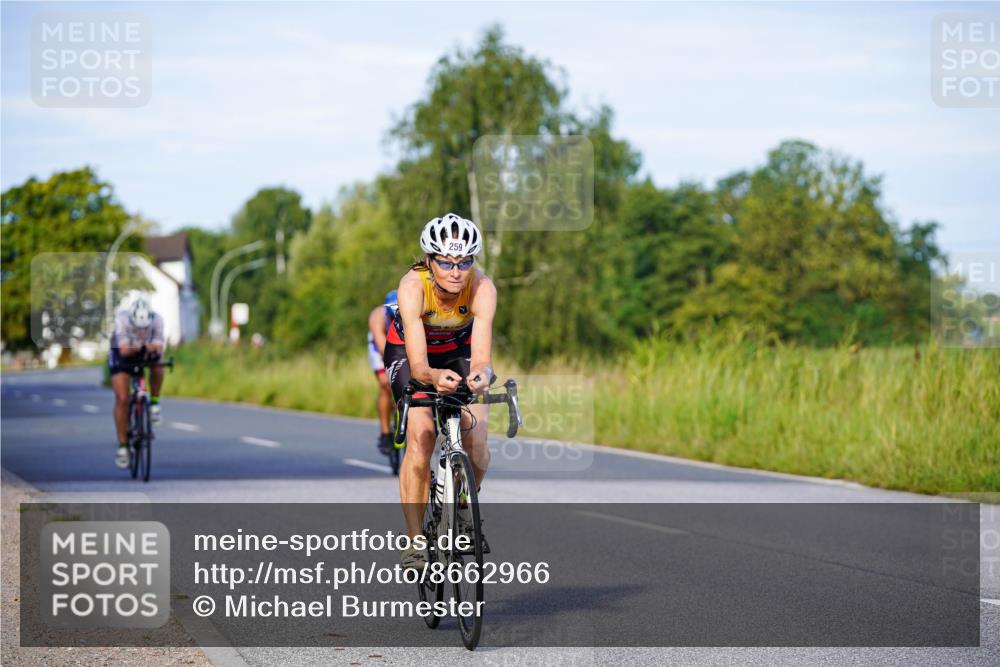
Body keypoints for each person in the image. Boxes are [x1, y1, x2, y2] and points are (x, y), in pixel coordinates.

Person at [382, 213, 497, 569]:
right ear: (430, 261)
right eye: (446, 262)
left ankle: (463, 510)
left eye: (465, 261)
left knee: (476, 442)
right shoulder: (413, 287)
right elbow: (419, 367)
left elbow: (481, 359)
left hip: (457, 352)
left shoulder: (483, 288)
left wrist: (480, 376)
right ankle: (415, 542)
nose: (456, 270)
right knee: (422, 437)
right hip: (411, 353)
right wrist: (432, 377)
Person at [108, 294, 165, 469]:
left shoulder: (157, 320)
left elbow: (159, 346)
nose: (141, 331)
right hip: (120, 355)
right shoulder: (122, 320)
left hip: (143, 352)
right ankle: (123, 447)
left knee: (159, 365)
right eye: (138, 328)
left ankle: (154, 403)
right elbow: (125, 350)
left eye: (144, 329)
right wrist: (142, 346)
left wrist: (148, 348)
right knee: (123, 399)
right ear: (132, 320)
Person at [367, 290, 398, 455]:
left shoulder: (411, 310)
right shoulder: (377, 316)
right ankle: (385, 433)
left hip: (400, 340)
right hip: (379, 345)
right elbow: (383, 349)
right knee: (386, 383)